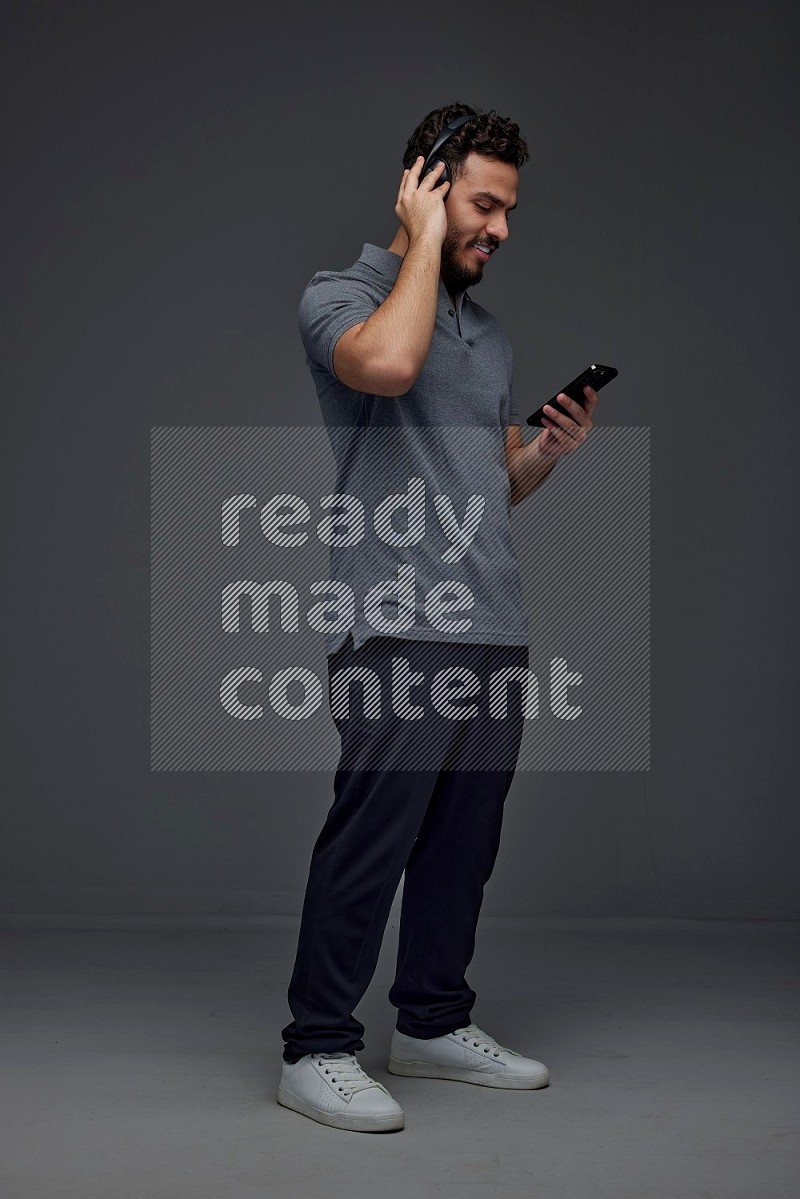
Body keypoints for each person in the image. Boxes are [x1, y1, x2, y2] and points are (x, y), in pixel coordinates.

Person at [277, 101, 598, 1133]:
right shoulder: (342, 296)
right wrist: (417, 241)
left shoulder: (487, 334)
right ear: (423, 183)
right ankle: (316, 1043)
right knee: (371, 837)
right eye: (482, 204)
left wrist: (542, 448)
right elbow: (386, 367)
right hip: (394, 616)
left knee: (463, 843)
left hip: (488, 621)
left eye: (508, 211)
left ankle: (429, 1020)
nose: (499, 230)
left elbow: (482, 484)